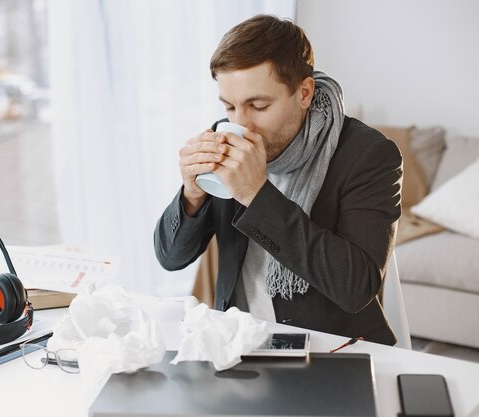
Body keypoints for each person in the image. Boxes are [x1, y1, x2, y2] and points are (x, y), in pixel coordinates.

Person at [154, 15, 402, 345]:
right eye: (229, 106)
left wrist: (257, 195)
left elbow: (356, 287)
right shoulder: (224, 135)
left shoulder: (368, 155)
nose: (241, 124)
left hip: (331, 350)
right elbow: (171, 258)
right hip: (238, 341)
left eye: (258, 105)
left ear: (304, 92)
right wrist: (192, 194)